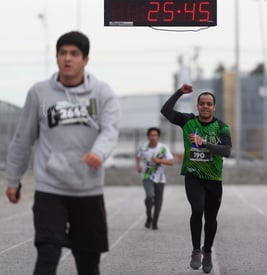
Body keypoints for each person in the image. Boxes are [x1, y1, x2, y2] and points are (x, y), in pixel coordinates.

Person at [6, 31, 120, 275]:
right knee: (48, 253)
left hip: (88, 189)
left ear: (85, 60)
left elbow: (110, 131)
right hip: (50, 188)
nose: (67, 58)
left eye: (74, 54)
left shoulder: (102, 93)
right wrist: (13, 180)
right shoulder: (39, 93)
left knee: (88, 262)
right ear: (56, 58)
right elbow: (22, 138)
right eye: (62, 53)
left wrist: (98, 153)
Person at [161, 84, 231, 274]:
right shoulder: (188, 122)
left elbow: (227, 151)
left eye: (209, 104)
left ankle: (207, 252)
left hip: (214, 178)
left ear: (214, 107)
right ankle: (196, 250)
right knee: (197, 209)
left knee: (211, 218)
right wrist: (179, 92)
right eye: (202, 104)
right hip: (193, 175)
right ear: (197, 106)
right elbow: (165, 111)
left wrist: (205, 143)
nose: (205, 107)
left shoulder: (222, 127)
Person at [136, 127, 174, 230]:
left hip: (160, 178)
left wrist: (159, 161)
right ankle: (149, 216)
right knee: (149, 196)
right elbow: (138, 156)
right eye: (151, 135)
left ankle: (154, 222)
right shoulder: (143, 147)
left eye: (155, 135)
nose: (153, 137)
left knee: (158, 201)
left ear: (158, 137)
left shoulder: (163, 148)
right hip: (147, 176)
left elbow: (171, 162)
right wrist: (138, 166)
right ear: (148, 136)